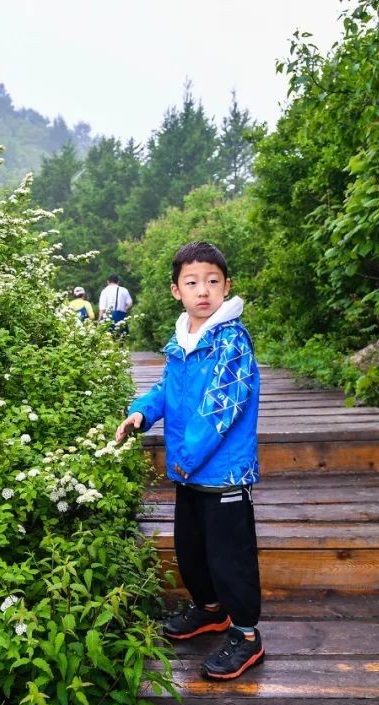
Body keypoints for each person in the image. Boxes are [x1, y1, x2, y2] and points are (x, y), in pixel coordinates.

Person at [115, 241, 263, 681]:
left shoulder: (231, 341)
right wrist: (142, 411)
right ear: (177, 291)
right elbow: (166, 391)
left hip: (223, 475)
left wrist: (182, 459)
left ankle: (246, 633)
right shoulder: (182, 342)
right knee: (192, 549)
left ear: (226, 287)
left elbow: (221, 409)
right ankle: (210, 610)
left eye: (213, 282)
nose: (204, 290)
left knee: (229, 557)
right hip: (190, 474)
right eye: (192, 282)